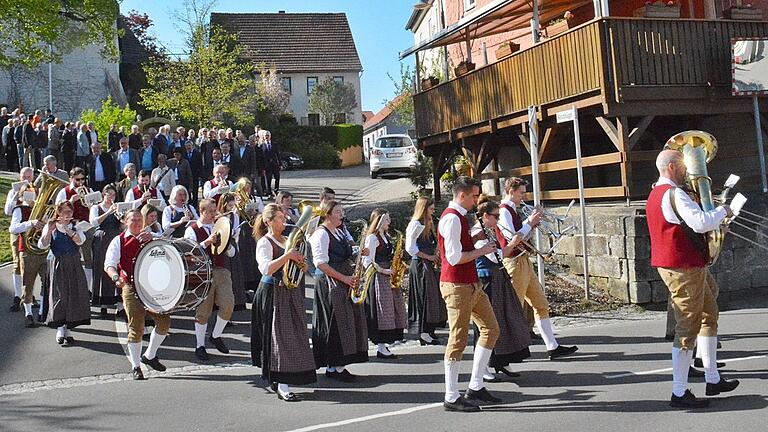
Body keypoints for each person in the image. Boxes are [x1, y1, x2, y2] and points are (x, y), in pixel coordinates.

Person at [646, 149, 738, 408]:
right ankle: (679, 391)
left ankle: (712, 377)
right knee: (687, 327)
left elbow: (685, 226)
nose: (688, 170)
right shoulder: (674, 193)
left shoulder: (656, 192)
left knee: (709, 314)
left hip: (685, 263)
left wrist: (715, 222)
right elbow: (699, 223)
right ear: (673, 166)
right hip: (682, 266)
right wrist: (722, 212)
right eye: (684, 165)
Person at [437, 176, 500, 412]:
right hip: (457, 285)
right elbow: (453, 258)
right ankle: (451, 395)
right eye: (474, 196)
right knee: (458, 338)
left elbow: (459, 249)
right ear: (462, 195)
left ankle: (475, 385)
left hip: (470, 283)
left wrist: (474, 239)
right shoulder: (452, 218)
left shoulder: (459, 217)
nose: (477, 200)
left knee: (491, 328)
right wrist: (482, 249)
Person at [498, 177, 578, 360]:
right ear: (511, 191)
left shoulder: (512, 210)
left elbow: (522, 235)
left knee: (541, 303)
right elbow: (513, 237)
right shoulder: (504, 211)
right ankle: (506, 348)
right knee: (514, 306)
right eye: (521, 193)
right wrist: (530, 222)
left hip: (523, 260)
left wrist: (531, 223)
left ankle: (552, 346)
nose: (523, 196)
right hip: (514, 262)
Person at [251, 204, 316, 401]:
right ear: (268, 221)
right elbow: (266, 269)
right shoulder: (265, 242)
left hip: (290, 292)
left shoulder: (288, 239)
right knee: (279, 338)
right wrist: (288, 255)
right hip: (272, 292)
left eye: (283, 217)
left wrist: (302, 265)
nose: (284, 220)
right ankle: (282, 384)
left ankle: (285, 378)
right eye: (279, 218)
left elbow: (299, 268)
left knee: (293, 336)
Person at [104, 209, 172, 380]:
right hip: (130, 286)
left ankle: (149, 355)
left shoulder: (151, 237)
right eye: (132, 220)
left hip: (152, 287)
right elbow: (109, 264)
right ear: (125, 222)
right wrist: (115, 277)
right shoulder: (118, 241)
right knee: (136, 327)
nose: (136, 223)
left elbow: (169, 252)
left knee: (164, 323)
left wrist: (155, 239)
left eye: (138, 220)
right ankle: (136, 367)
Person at [472, 196, 532, 381]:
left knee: (504, 319)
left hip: (498, 277)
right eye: (495, 216)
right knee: (486, 324)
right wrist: (513, 244)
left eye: (498, 216)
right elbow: (495, 256)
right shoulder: (477, 234)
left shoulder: (488, 230)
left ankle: (501, 361)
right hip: (486, 280)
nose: (498, 220)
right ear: (484, 216)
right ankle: (484, 367)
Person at [308, 200, 368, 382]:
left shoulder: (339, 231)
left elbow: (344, 252)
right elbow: (320, 263)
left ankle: (337, 366)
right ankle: (333, 366)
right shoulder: (321, 234)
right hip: (330, 282)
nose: (342, 215)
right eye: (338, 212)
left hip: (343, 279)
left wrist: (359, 252)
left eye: (342, 211)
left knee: (345, 322)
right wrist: (344, 279)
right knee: (334, 324)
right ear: (328, 215)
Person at [184, 198, 236, 361]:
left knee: (228, 305)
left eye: (215, 211)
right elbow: (190, 252)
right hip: (202, 274)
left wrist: (226, 244)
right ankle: (200, 346)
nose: (215, 214)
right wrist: (208, 241)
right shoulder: (192, 229)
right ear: (202, 212)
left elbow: (233, 253)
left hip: (221, 270)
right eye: (211, 211)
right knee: (203, 312)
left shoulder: (220, 226)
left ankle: (215, 335)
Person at [38, 201, 90, 346]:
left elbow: (80, 241)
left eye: (70, 212)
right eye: (65, 212)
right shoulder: (52, 227)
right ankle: (60, 328)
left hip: (73, 263)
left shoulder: (76, 226)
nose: (69, 215)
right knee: (60, 296)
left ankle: (68, 329)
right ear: (59, 213)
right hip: (58, 263)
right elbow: (42, 244)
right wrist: (49, 230)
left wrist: (69, 230)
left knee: (72, 295)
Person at [362, 208, 407, 359]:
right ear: (379, 221)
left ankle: (384, 345)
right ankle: (381, 346)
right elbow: (367, 261)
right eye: (386, 219)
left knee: (392, 309)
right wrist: (384, 270)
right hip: (379, 277)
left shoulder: (385, 236)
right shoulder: (373, 238)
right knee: (382, 311)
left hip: (388, 276)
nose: (389, 222)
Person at [406, 196, 447, 345]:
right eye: (430, 208)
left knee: (432, 298)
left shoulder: (428, 223)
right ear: (423, 209)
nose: (433, 210)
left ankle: (430, 330)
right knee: (423, 297)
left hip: (429, 264)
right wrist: (428, 257)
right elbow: (410, 248)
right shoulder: (416, 224)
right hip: (421, 265)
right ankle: (423, 332)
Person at [9, 184, 45, 327]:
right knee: (28, 283)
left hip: (43, 249)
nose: (31, 197)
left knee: (46, 281)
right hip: (27, 250)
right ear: (23, 195)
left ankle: (43, 310)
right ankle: (28, 313)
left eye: (33, 193)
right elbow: (13, 228)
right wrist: (31, 223)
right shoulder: (19, 209)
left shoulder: (42, 208)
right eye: (28, 194)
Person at [54, 167, 95, 293]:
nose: (81, 182)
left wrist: (89, 202)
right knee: (73, 257)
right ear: (71, 179)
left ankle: (87, 288)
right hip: (69, 228)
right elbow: (57, 209)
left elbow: (94, 208)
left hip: (85, 227)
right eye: (77, 180)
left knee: (88, 259)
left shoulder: (89, 190)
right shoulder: (64, 192)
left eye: (83, 179)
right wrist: (71, 201)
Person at [90, 184, 122, 318]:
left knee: (118, 268)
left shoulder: (117, 207)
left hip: (115, 239)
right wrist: (108, 212)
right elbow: (93, 222)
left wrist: (121, 218)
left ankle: (119, 305)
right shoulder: (96, 207)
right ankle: (102, 304)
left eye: (114, 195)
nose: (111, 197)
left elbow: (122, 226)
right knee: (102, 270)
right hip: (101, 241)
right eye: (109, 194)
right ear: (104, 194)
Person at [5, 168, 35, 311]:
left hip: (32, 231)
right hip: (18, 230)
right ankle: (17, 296)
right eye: (24, 176)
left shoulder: (36, 189)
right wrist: (15, 198)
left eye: (29, 177)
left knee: (31, 265)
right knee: (17, 264)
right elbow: (7, 211)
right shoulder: (13, 192)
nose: (26, 179)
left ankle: (28, 294)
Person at [217, 193, 247, 311]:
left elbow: (235, 231)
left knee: (235, 273)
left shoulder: (234, 216)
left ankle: (237, 301)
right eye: (229, 206)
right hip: (221, 245)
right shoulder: (218, 215)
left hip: (231, 244)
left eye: (232, 205)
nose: (231, 208)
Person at [184, 140, 204, 208]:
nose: (188, 147)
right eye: (187, 146)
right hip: (186, 177)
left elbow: (200, 165)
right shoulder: (183, 154)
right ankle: (188, 206)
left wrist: (200, 175)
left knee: (195, 192)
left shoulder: (197, 154)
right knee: (187, 193)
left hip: (195, 175)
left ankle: (195, 207)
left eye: (189, 146)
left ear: (192, 146)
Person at [262, 131, 280, 197]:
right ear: (263, 137)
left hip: (275, 165)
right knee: (268, 180)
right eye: (265, 135)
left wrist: (280, 164)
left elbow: (278, 154)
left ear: (270, 136)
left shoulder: (275, 144)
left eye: (268, 135)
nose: (267, 137)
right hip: (267, 166)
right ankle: (269, 192)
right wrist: (263, 168)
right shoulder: (262, 145)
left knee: (277, 178)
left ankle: (276, 190)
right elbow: (261, 157)